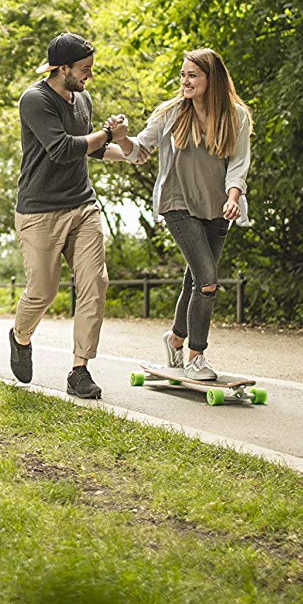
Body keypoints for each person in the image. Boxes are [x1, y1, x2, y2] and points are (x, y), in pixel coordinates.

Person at [109, 48, 251, 381]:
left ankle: (174, 339)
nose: (184, 81)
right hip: (178, 204)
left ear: (210, 79)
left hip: (218, 207)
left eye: (192, 75)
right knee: (207, 280)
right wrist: (122, 139)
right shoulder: (171, 113)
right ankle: (196, 355)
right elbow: (140, 151)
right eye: (183, 75)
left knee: (195, 280)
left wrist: (233, 197)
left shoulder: (236, 116)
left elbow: (239, 163)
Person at [10, 32, 129, 399]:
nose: (88, 76)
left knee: (95, 282)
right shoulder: (35, 100)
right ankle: (21, 336)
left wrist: (126, 151)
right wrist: (107, 133)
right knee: (43, 291)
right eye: (83, 69)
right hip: (40, 211)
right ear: (62, 69)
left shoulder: (83, 99)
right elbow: (62, 149)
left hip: (82, 205)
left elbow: (88, 149)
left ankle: (80, 371)